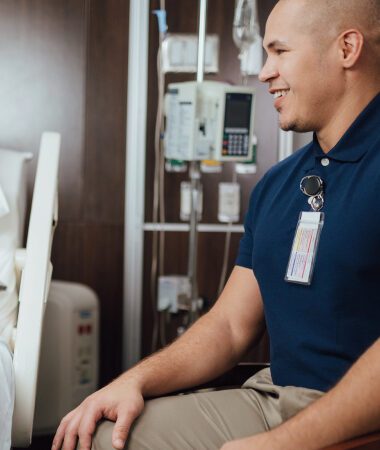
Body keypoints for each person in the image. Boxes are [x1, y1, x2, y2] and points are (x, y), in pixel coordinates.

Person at [52, 0, 380, 449]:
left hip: (359, 418)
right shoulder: (278, 186)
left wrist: (284, 444)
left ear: (347, 48)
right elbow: (229, 326)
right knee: (103, 436)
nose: (265, 72)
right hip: (272, 397)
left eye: (280, 52)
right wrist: (134, 381)